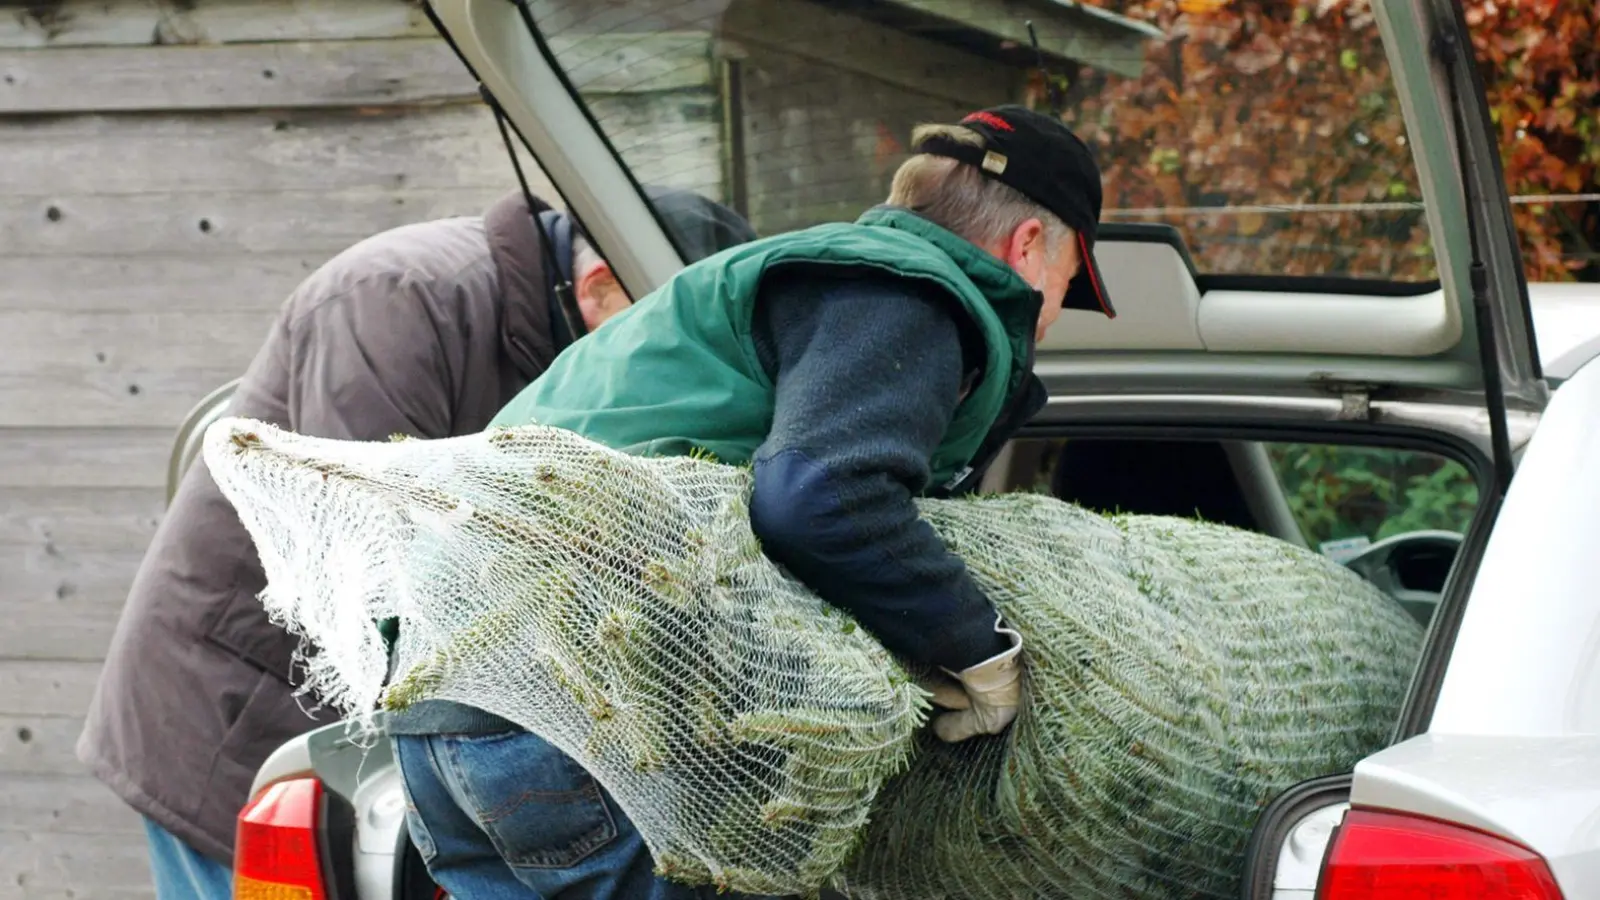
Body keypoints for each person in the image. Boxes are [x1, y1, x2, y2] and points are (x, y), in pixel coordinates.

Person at [387, 104, 1117, 898]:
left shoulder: (787, 279)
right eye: (1065, 286)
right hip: (579, 716)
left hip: (444, 707)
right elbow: (821, 496)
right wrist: (977, 646)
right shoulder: (902, 295)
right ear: (1029, 245)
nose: (1047, 318)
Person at [76, 184, 756, 900]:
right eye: (661, 331)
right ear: (598, 283)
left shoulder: (565, 333)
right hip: (240, 709)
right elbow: (369, 548)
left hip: (362, 724)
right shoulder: (396, 297)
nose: (667, 362)